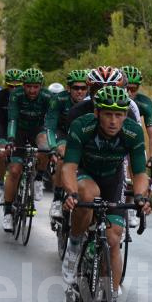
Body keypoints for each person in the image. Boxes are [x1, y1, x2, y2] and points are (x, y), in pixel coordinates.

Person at [60, 86, 152, 302]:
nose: (114, 121)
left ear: (125, 115)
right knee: (87, 195)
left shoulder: (132, 132)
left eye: (119, 115)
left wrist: (142, 196)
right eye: (108, 114)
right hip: (85, 174)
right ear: (98, 112)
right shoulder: (82, 126)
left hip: (113, 180)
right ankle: (75, 244)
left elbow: (140, 172)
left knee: (113, 239)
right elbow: (69, 167)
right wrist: (70, 193)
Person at [1, 68, 52, 232]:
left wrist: (52, 143)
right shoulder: (16, 95)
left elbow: (50, 122)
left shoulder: (47, 97)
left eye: (35, 87)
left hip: (37, 129)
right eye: (28, 86)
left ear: (41, 86)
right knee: (15, 170)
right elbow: (12, 118)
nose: (32, 90)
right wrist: (10, 139)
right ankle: (8, 212)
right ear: (23, 86)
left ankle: (38, 179)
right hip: (19, 131)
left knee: (45, 147)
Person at [44, 69, 88, 219]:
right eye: (76, 88)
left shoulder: (91, 101)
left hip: (82, 136)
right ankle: (57, 199)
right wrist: (52, 147)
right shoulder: (59, 100)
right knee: (63, 155)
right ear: (68, 88)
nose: (80, 91)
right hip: (62, 133)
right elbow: (49, 127)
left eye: (83, 88)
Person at [0, 68, 22, 205]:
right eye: (10, 86)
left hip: (21, 131)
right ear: (6, 85)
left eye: (17, 86)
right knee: (1, 155)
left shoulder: (26, 97)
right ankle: (1, 186)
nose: (14, 89)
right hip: (4, 129)